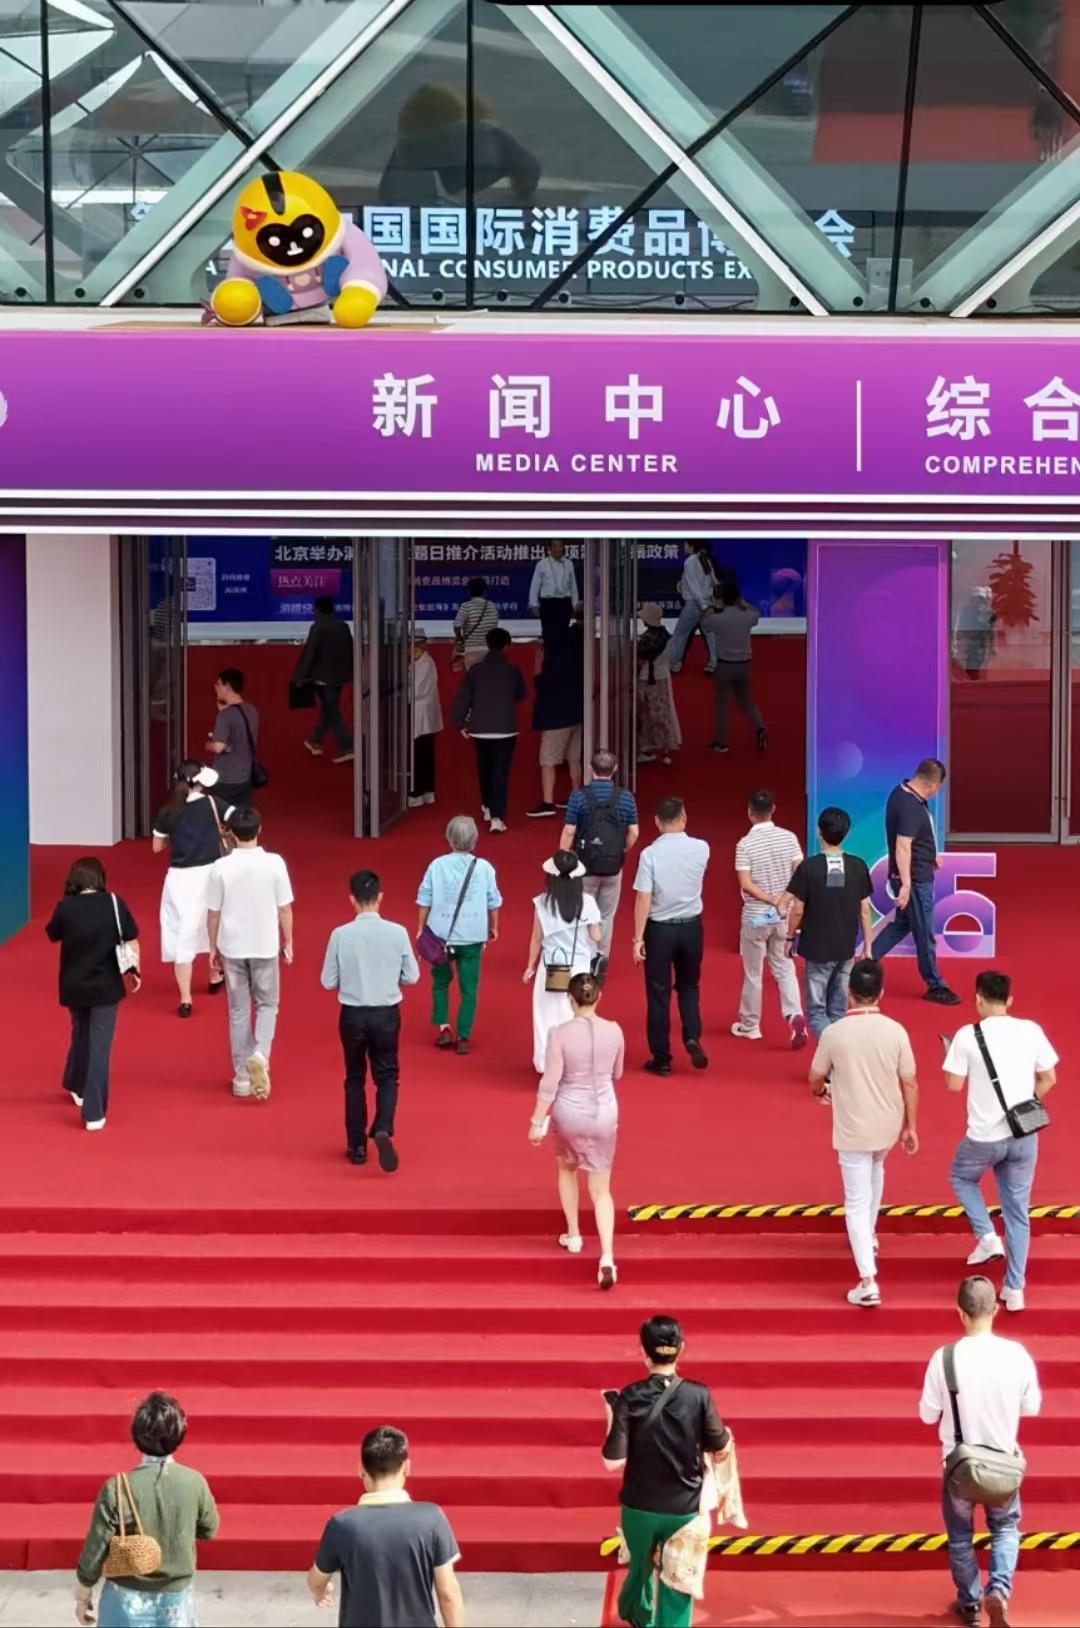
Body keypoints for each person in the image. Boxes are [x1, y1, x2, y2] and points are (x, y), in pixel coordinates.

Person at [918, 1276, 1041, 1628]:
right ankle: (998, 1588)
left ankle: (970, 1604)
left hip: (959, 1464)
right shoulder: (1017, 1355)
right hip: (1002, 1462)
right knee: (1005, 1528)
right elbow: (1031, 1406)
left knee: (960, 1537)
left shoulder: (943, 1358)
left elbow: (927, 1414)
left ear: (960, 1312)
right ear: (995, 1309)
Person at [602, 1316, 731, 1628]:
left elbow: (612, 1461)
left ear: (643, 1352)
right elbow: (720, 1445)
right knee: (677, 1586)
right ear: (681, 1349)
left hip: (639, 1506)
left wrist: (611, 1414)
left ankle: (637, 1614)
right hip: (684, 1510)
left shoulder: (629, 1396)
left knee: (639, 1568)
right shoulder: (699, 1395)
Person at [944, 971, 1058, 1313]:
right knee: (1018, 1212)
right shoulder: (1031, 1030)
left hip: (984, 1136)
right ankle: (1014, 1288)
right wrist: (1025, 1104)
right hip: (1023, 1134)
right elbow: (1049, 1078)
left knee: (961, 1177)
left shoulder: (967, 1036)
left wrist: (949, 1056)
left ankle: (987, 1236)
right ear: (1009, 1000)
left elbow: (953, 1085)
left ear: (978, 998)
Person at [809, 959, 919, 1307]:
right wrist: (910, 1126)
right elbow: (910, 1081)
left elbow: (816, 1075)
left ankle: (868, 1280)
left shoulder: (834, 1032)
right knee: (877, 1167)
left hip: (853, 1128)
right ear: (881, 993)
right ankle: (869, 1235)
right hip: (888, 1124)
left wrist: (821, 1091)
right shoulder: (896, 1031)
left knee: (855, 1202)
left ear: (848, 992)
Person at [74, 1391, 218, 1628]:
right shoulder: (195, 1482)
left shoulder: (117, 1487)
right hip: (176, 1600)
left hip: (124, 1599)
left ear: (137, 1435)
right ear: (179, 1433)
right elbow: (209, 1530)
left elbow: (96, 1547)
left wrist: (83, 1594)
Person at [308, 1425, 464, 1628]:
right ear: (407, 1467)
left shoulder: (342, 1525)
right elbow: (448, 1593)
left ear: (361, 1469)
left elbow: (316, 1580)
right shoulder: (431, 1518)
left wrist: (321, 1591)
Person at [529, 971, 624, 1288]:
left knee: (567, 1169)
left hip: (569, 1112)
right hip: (604, 1112)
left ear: (570, 1000)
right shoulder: (615, 1030)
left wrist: (536, 1122)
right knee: (602, 1189)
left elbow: (550, 1083)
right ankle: (607, 1255)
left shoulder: (559, 1034)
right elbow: (618, 1072)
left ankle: (573, 1234)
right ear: (599, 997)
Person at [321, 869, 420, 1173]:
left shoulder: (340, 935)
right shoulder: (398, 932)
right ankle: (383, 1127)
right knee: (387, 1074)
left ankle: (357, 1146)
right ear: (380, 897)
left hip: (352, 1013)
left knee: (354, 1077)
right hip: (386, 1012)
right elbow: (412, 976)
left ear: (352, 899)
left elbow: (328, 981)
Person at [45, 857, 140, 1132]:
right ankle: (94, 1112)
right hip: (105, 986)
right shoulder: (113, 903)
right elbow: (131, 936)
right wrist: (135, 970)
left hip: (74, 985)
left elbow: (52, 933)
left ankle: (76, 1083)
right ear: (100, 879)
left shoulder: (66, 906)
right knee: (99, 1046)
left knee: (80, 1032)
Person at [206, 806, 293, 1101]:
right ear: (259, 830)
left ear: (231, 833)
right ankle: (260, 1054)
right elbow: (285, 908)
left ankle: (242, 1077)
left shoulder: (220, 867)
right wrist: (289, 941)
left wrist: (212, 947)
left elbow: (213, 912)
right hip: (264, 944)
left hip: (232, 946)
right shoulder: (275, 863)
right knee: (268, 1004)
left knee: (238, 1010)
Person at [778, 805, 874, 1039]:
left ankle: (833, 1053)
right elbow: (865, 910)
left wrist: (789, 938)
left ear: (819, 832)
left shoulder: (809, 867)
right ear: (846, 833)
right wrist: (868, 946)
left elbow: (797, 909)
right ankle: (839, 1052)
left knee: (816, 1012)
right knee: (838, 1011)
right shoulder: (858, 865)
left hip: (817, 949)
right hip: (846, 948)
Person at [632, 796, 710, 1078]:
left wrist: (638, 939)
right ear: (684, 818)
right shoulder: (702, 848)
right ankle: (692, 1035)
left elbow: (643, 897)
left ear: (656, 822)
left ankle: (661, 1058)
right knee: (689, 986)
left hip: (660, 929)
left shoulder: (650, 855)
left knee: (658, 993)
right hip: (691, 927)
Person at [873, 758, 960, 1006]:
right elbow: (903, 846)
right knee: (924, 933)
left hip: (915, 874)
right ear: (933, 785)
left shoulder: (902, 793)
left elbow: (916, 836)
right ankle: (935, 985)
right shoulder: (910, 806)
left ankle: (866, 963)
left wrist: (930, 854)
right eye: (938, 788)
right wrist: (907, 885)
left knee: (902, 925)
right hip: (916, 880)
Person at [152, 761, 233, 1017]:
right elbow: (240, 819)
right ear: (199, 782)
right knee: (215, 923)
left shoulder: (168, 811)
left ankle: (185, 998)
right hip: (210, 874)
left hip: (179, 879)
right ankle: (215, 974)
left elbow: (156, 847)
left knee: (182, 933)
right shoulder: (213, 803)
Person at [416, 815, 501, 1056]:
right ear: (475, 840)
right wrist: (494, 927)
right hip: (472, 936)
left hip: (441, 935)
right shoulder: (484, 868)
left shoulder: (437, 865)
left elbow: (424, 899)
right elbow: (493, 902)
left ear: (449, 838)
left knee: (440, 982)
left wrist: (420, 928)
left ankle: (444, 1027)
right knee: (469, 988)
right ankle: (464, 1035)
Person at [732, 789, 807, 1046]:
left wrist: (771, 899)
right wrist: (784, 900)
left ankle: (750, 1025)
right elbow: (801, 874)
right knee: (784, 967)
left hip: (755, 916)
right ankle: (794, 1013)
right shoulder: (789, 838)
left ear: (749, 813)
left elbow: (746, 884)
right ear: (773, 809)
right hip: (783, 916)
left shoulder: (745, 844)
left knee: (753, 973)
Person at [524, 852, 602, 1074]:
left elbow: (536, 938)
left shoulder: (543, 903)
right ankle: (575, 1064)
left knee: (547, 1018)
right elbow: (596, 936)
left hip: (551, 968)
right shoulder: (587, 902)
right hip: (579, 968)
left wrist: (529, 966)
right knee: (577, 1017)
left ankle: (547, 1063)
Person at [559, 749, 639, 960]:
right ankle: (600, 960)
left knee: (582, 914)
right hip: (613, 867)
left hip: (584, 867)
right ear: (615, 769)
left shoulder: (579, 796)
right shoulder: (626, 797)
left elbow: (569, 831)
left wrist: (562, 859)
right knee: (606, 917)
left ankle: (581, 958)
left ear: (590, 769)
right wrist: (622, 849)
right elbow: (634, 832)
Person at [450, 627, 526, 833]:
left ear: (487, 644)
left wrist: (459, 723)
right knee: (500, 774)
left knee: (484, 768)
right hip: (505, 728)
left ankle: (486, 805)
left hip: (480, 729)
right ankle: (497, 818)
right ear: (507, 646)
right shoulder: (512, 670)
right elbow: (521, 695)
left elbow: (463, 698)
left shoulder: (475, 670)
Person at [527, 620, 584, 818]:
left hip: (555, 718)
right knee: (574, 758)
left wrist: (539, 658)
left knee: (548, 761)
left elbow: (539, 683)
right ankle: (576, 796)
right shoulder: (579, 662)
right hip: (576, 715)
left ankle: (548, 802)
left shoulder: (553, 665)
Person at [704, 576, 767, 752]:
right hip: (744, 666)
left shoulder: (717, 619)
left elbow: (705, 623)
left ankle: (721, 742)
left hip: (724, 666)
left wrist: (712, 607)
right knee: (747, 701)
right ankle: (760, 727)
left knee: (722, 706)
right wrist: (743, 603)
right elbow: (756, 613)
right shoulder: (746, 616)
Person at [295, 594, 355, 764]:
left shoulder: (317, 628)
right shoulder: (343, 626)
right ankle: (315, 739)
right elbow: (351, 649)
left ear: (318, 610)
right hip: (340, 676)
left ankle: (348, 746)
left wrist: (300, 676)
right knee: (330, 708)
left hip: (322, 678)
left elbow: (309, 654)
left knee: (332, 710)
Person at [206, 668, 260, 808]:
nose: (215, 687)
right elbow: (240, 736)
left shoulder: (225, 716)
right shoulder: (251, 710)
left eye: (218, 684)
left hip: (225, 778)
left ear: (228, 687)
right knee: (241, 816)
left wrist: (209, 745)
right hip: (245, 775)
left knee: (220, 815)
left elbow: (218, 747)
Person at [636, 604, 681, 766]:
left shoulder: (647, 640)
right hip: (662, 678)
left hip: (646, 680)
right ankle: (665, 748)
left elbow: (639, 658)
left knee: (644, 714)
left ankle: (645, 747)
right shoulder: (666, 636)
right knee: (662, 713)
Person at [666, 542, 719, 674]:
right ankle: (714, 663)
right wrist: (708, 602)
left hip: (695, 603)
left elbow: (693, 585)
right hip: (706, 602)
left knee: (680, 634)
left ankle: (673, 664)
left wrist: (702, 604)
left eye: (685, 544)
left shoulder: (690, 561)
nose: (683, 547)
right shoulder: (705, 559)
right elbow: (713, 581)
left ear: (692, 546)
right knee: (710, 634)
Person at [408, 629, 443, 807]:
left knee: (418, 755)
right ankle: (427, 791)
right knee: (423, 754)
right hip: (422, 717)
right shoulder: (417, 662)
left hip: (421, 715)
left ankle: (417, 793)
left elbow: (416, 691)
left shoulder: (425, 663)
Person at [527, 539, 580, 639]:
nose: (558, 549)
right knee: (548, 634)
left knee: (563, 634)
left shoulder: (569, 564)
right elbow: (535, 585)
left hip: (564, 603)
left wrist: (575, 604)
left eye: (560, 546)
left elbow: (573, 585)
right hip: (548, 603)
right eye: (555, 546)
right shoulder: (542, 564)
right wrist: (534, 604)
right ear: (549, 548)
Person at [451, 577, 498, 671]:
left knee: (473, 677)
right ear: (485, 592)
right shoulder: (492, 606)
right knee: (488, 676)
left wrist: (460, 639)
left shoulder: (466, 606)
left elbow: (457, 626)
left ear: (469, 591)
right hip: (489, 649)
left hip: (471, 649)